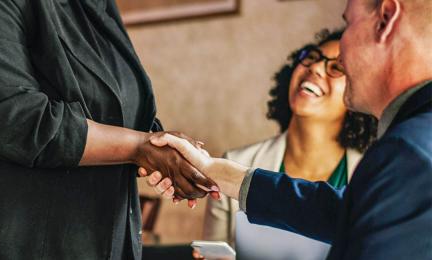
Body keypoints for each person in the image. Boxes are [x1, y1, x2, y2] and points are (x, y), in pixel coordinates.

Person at [145, 0, 432, 259]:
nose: (337, 55)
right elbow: (343, 213)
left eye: (348, 23)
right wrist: (215, 170)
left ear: (385, 20)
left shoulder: (409, 153)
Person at [0, 0, 216, 259]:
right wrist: (140, 147)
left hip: (103, 238)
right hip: (11, 241)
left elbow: (119, 111)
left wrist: (166, 149)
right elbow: (16, 120)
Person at [199, 29, 377, 260]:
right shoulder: (232, 164)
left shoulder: (373, 174)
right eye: (311, 57)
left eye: (337, 68)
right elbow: (211, 252)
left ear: (358, 92)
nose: (314, 68)